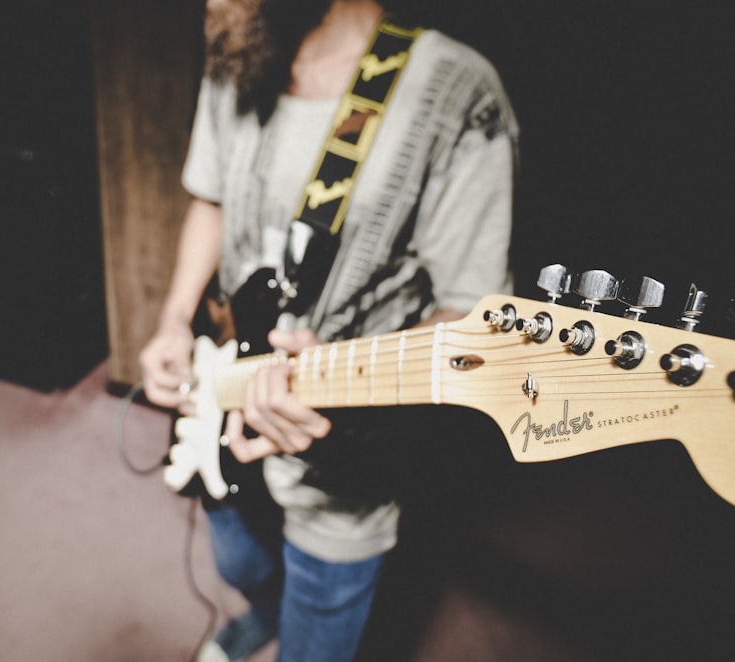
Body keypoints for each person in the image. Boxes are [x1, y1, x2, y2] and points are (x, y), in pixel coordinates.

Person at [139, 0, 518, 659]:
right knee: (239, 565)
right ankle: (264, 612)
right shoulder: (238, 44)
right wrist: (174, 319)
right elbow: (211, 197)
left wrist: (343, 374)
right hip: (221, 393)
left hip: (343, 454)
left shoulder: (458, 91)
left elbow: (472, 319)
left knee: (318, 629)